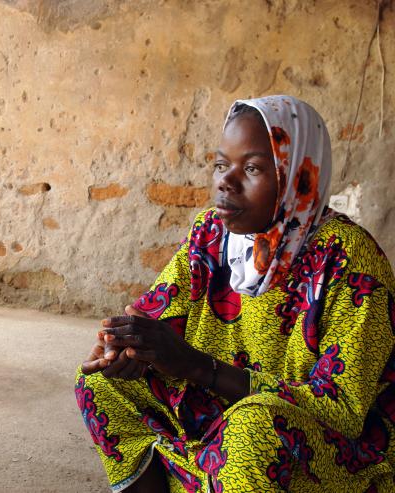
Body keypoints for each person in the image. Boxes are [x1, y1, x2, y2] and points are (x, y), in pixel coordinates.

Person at [76, 95, 395, 492]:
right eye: (221, 165)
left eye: (254, 167)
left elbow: (342, 412)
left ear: (299, 175)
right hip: (221, 410)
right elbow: (155, 313)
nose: (226, 180)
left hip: (325, 450)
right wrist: (122, 343)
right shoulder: (211, 232)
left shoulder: (349, 258)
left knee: (254, 427)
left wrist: (198, 367)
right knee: (102, 385)